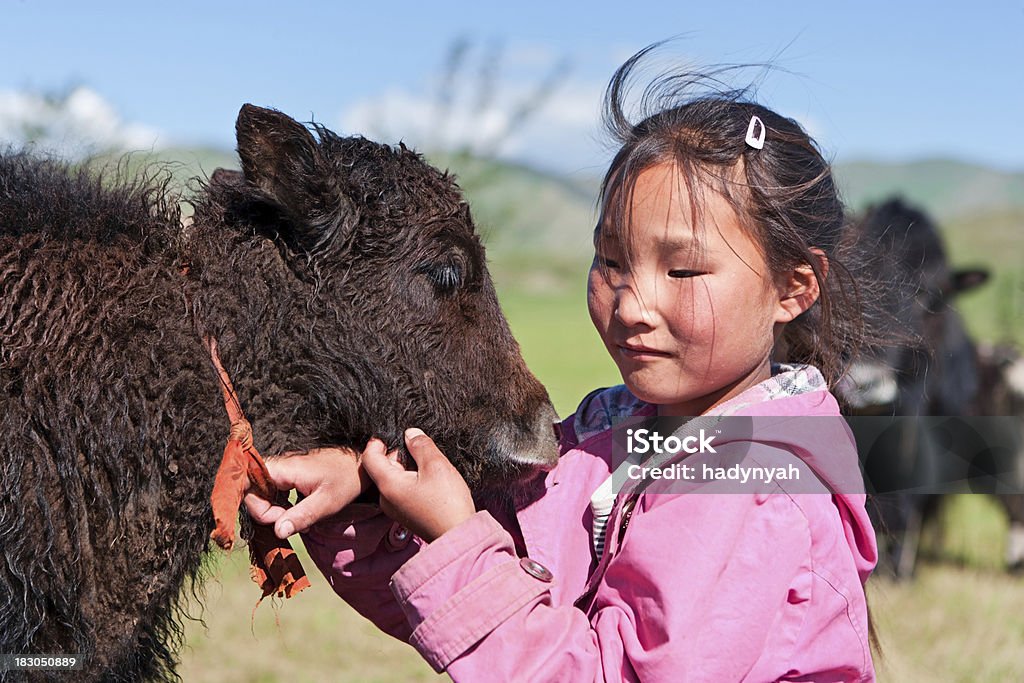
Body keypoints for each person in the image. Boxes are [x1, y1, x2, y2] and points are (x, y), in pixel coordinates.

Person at [245, 46, 878, 681]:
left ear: (794, 288)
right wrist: (370, 491)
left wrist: (458, 538)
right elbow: (483, 599)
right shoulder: (613, 436)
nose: (633, 303)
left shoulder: (756, 484)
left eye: (682, 269)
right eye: (611, 261)